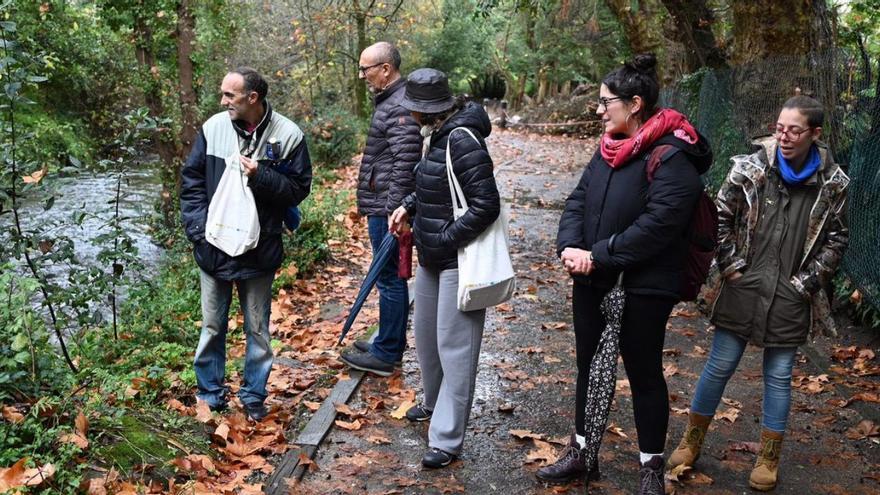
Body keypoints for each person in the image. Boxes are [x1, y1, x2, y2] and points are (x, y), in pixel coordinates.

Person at [546, 54, 711, 494]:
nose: (600, 111)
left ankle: (651, 470)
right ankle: (582, 454)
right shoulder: (607, 149)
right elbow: (578, 201)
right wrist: (569, 248)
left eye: (606, 103)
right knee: (588, 367)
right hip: (592, 280)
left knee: (643, 374)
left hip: (644, 287)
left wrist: (597, 255)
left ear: (634, 103)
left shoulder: (673, 157)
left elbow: (659, 226)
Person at [668, 95, 849, 491]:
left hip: (791, 293)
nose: (784, 136)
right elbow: (720, 217)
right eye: (780, 128)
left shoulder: (833, 184)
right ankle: (691, 440)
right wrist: (730, 265)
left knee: (780, 375)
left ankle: (769, 458)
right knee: (719, 365)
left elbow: (837, 239)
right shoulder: (749, 170)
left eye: (794, 130)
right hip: (742, 284)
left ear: (815, 134)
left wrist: (808, 283)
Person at [180, 67, 312, 421]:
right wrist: (197, 229)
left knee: (258, 329)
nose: (222, 102)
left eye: (229, 96)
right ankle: (211, 394)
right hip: (213, 248)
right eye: (223, 94)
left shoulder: (288, 135)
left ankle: (253, 396)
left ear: (252, 98)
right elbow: (191, 182)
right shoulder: (213, 128)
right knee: (211, 326)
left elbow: (299, 190)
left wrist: (261, 175)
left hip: (261, 249)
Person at [388, 68, 500, 468]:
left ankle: (447, 439)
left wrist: (446, 237)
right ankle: (433, 403)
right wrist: (409, 204)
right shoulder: (434, 135)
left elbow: (487, 204)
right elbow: (433, 184)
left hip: (458, 261)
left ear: (425, 110)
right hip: (432, 257)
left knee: (456, 349)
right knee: (428, 340)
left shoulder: (461, 138)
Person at [340, 42, 420, 377]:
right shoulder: (392, 100)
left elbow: (405, 161)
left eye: (365, 69)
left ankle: (387, 353)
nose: (361, 76)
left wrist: (394, 210)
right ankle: (386, 342)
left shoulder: (398, 105)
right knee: (388, 278)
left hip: (387, 207)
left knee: (389, 279)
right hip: (383, 203)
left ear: (385, 68)